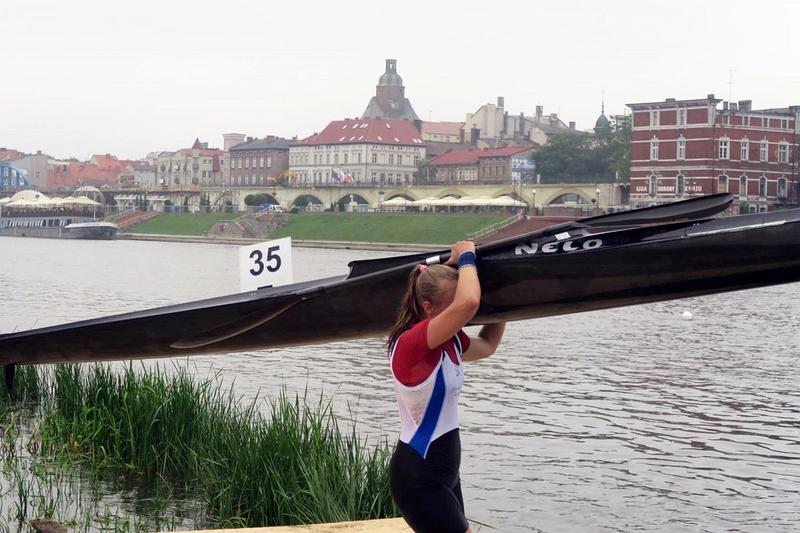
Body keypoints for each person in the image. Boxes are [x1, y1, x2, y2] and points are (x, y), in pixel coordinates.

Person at [387, 240, 506, 533]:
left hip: (445, 474)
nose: (461, 314)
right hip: (419, 479)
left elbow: (488, 345)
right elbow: (469, 303)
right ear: (428, 308)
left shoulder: (450, 340)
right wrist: (466, 256)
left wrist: (509, 303)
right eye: (451, 306)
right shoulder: (411, 344)